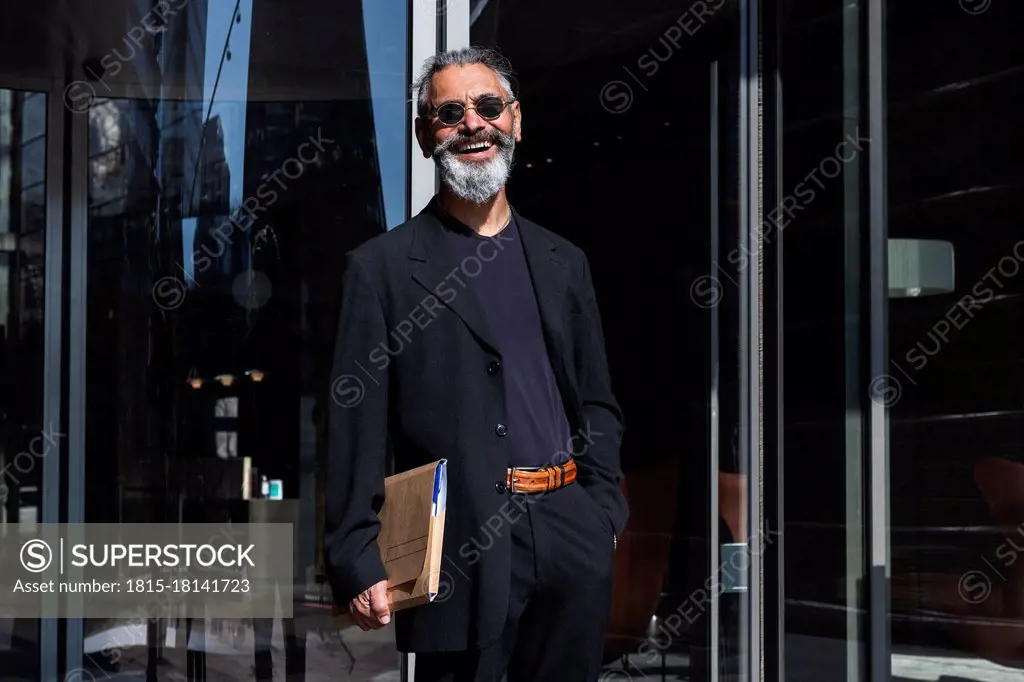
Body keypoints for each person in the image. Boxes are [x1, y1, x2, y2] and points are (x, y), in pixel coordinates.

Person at [323, 45, 627, 682]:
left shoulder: (563, 261)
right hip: (460, 545)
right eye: (450, 113)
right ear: (424, 135)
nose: (472, 124)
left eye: (488, 107)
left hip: (570, 529)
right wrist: (356, 556)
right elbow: (356, 426)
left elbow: (596, 400)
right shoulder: (380, 270)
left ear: (515, 120)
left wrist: (601, 513)